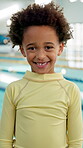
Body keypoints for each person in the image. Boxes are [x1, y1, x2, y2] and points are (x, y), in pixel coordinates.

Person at [0, 2, 83, 148]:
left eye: (48, 47)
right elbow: (5, 141)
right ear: (22, 50)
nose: (40, 55)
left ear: (60, 48)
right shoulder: (14, 89)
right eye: (32, 48)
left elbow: (76, 142)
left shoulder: (70, 90)